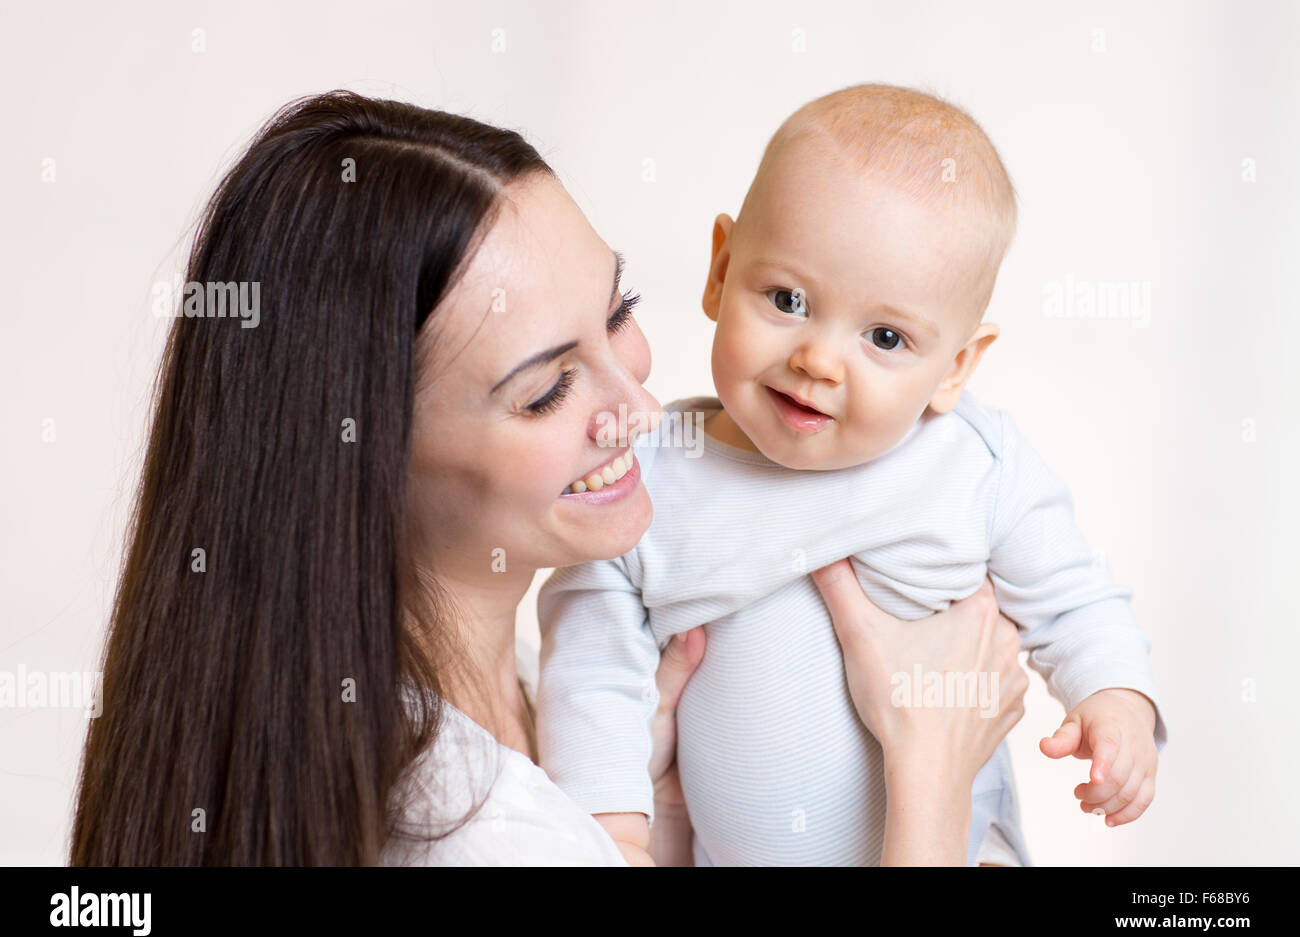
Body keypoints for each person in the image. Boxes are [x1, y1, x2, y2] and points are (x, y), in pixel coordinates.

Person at [70, 90, 1027, 866]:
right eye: (547, 391)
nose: (643, 411)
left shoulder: (528, 720)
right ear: (358, 450)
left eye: (619, 314)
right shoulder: (477, 838)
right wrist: (931, 793)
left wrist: (649, 815)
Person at [535, 84, 1165, 867]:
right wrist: (617, 832)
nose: (818, 360)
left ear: (956, 366)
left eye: (887, 338)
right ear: (720, 271)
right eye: (788, 299)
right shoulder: (652, 474)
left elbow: (1074, 598)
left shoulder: (971, 463)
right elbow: (590, 671)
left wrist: (1115, 701)